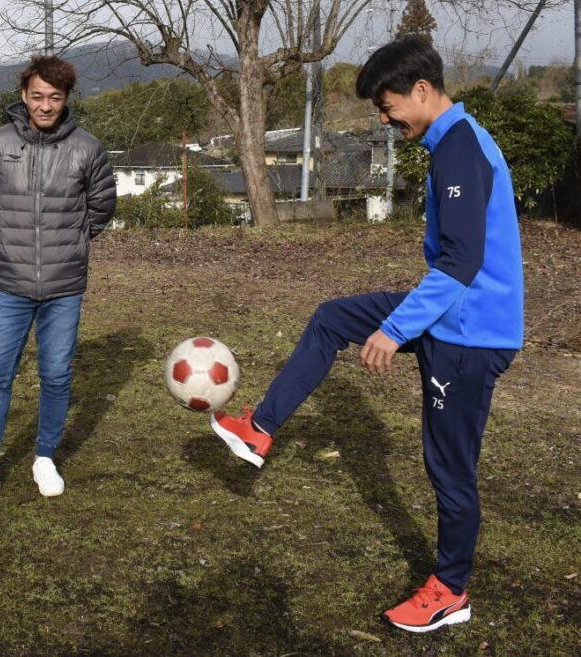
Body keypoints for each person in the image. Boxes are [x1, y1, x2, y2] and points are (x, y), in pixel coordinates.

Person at [211, 37, 523, 633]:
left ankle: (451, 590)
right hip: (449, 315)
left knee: (449, 467)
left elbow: (459, 262)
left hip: (471, 333)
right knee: (333, 317)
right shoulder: (451, 144)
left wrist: (395, 329)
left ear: (423, 92)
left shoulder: (461, 150)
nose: (384, 119)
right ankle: (260, 429)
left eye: (387, 106)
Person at [0, 55, 116, 505]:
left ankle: (44, 457)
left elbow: (101, 207)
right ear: (23, 96)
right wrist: (8, 237)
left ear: (66, 100)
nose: (45, 105)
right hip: (10, 282)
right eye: (37, 96)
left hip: (64, 285)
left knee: (56, 374)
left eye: (54, 98)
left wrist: (73, 243)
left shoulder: (87, 148)